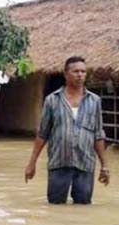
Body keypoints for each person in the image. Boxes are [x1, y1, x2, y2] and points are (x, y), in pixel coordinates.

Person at [24, 56, 110, 204]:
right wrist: (32, 163)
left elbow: (98, 135)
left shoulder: (94, 101)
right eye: (75, 71)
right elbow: (43, 133)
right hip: (59, 162)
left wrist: (105, 166)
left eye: (83, 71)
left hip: (85, 163)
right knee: (55, 206)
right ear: (65, 74)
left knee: (83, 208)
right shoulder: (52, 100)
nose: (80, 75)